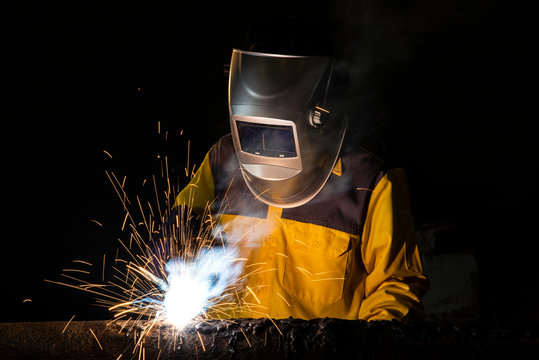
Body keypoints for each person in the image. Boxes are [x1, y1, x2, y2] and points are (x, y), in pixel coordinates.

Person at [169, 17, 428, 321]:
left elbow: (395, 288)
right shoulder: (223, 159)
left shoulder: (371, 182)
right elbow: (182, 224)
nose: (263, 147)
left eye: (277, 134)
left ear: (321, 109)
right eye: (252, 131)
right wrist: (172, 240)